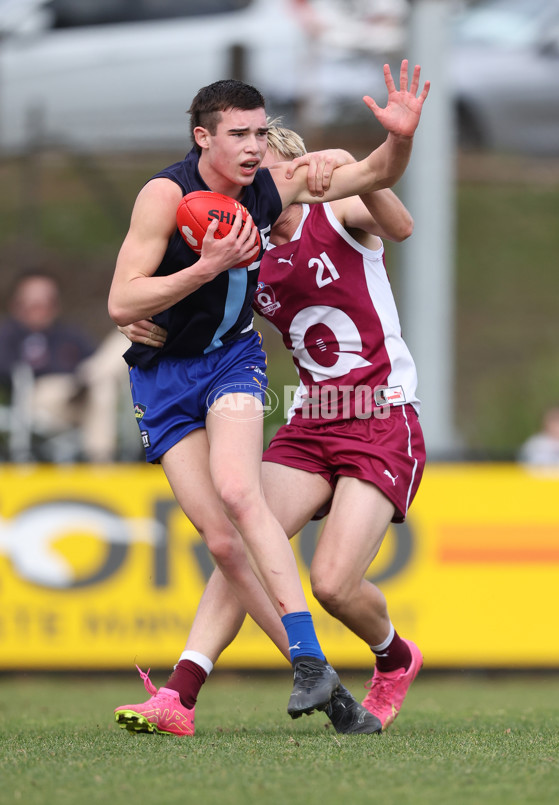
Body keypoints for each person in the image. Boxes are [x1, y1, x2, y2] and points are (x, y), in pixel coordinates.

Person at [108, 62, 429, 723]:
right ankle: (181, 690)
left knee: (333, 582)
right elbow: (187, 295)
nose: (265, 168)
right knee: (238, 536)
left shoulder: (335, 211)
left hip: (377, 410)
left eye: (277, 156)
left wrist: (386, 145)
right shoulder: (246, 256)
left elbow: (392, 213)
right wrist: (146, 317)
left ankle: (393, 654)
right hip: (313, 417)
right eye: (247, 147)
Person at [0, 269, 121, 462]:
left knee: (104, 383)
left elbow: (95, 359)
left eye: (47, 301)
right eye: (33, 302)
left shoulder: (69, 333)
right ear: (17, 304)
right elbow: (6, 370)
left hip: (80, 392)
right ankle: (102, 462)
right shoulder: (8, 333)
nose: (41, 307)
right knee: (99, 381)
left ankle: (101, 463)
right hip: (37, 397)